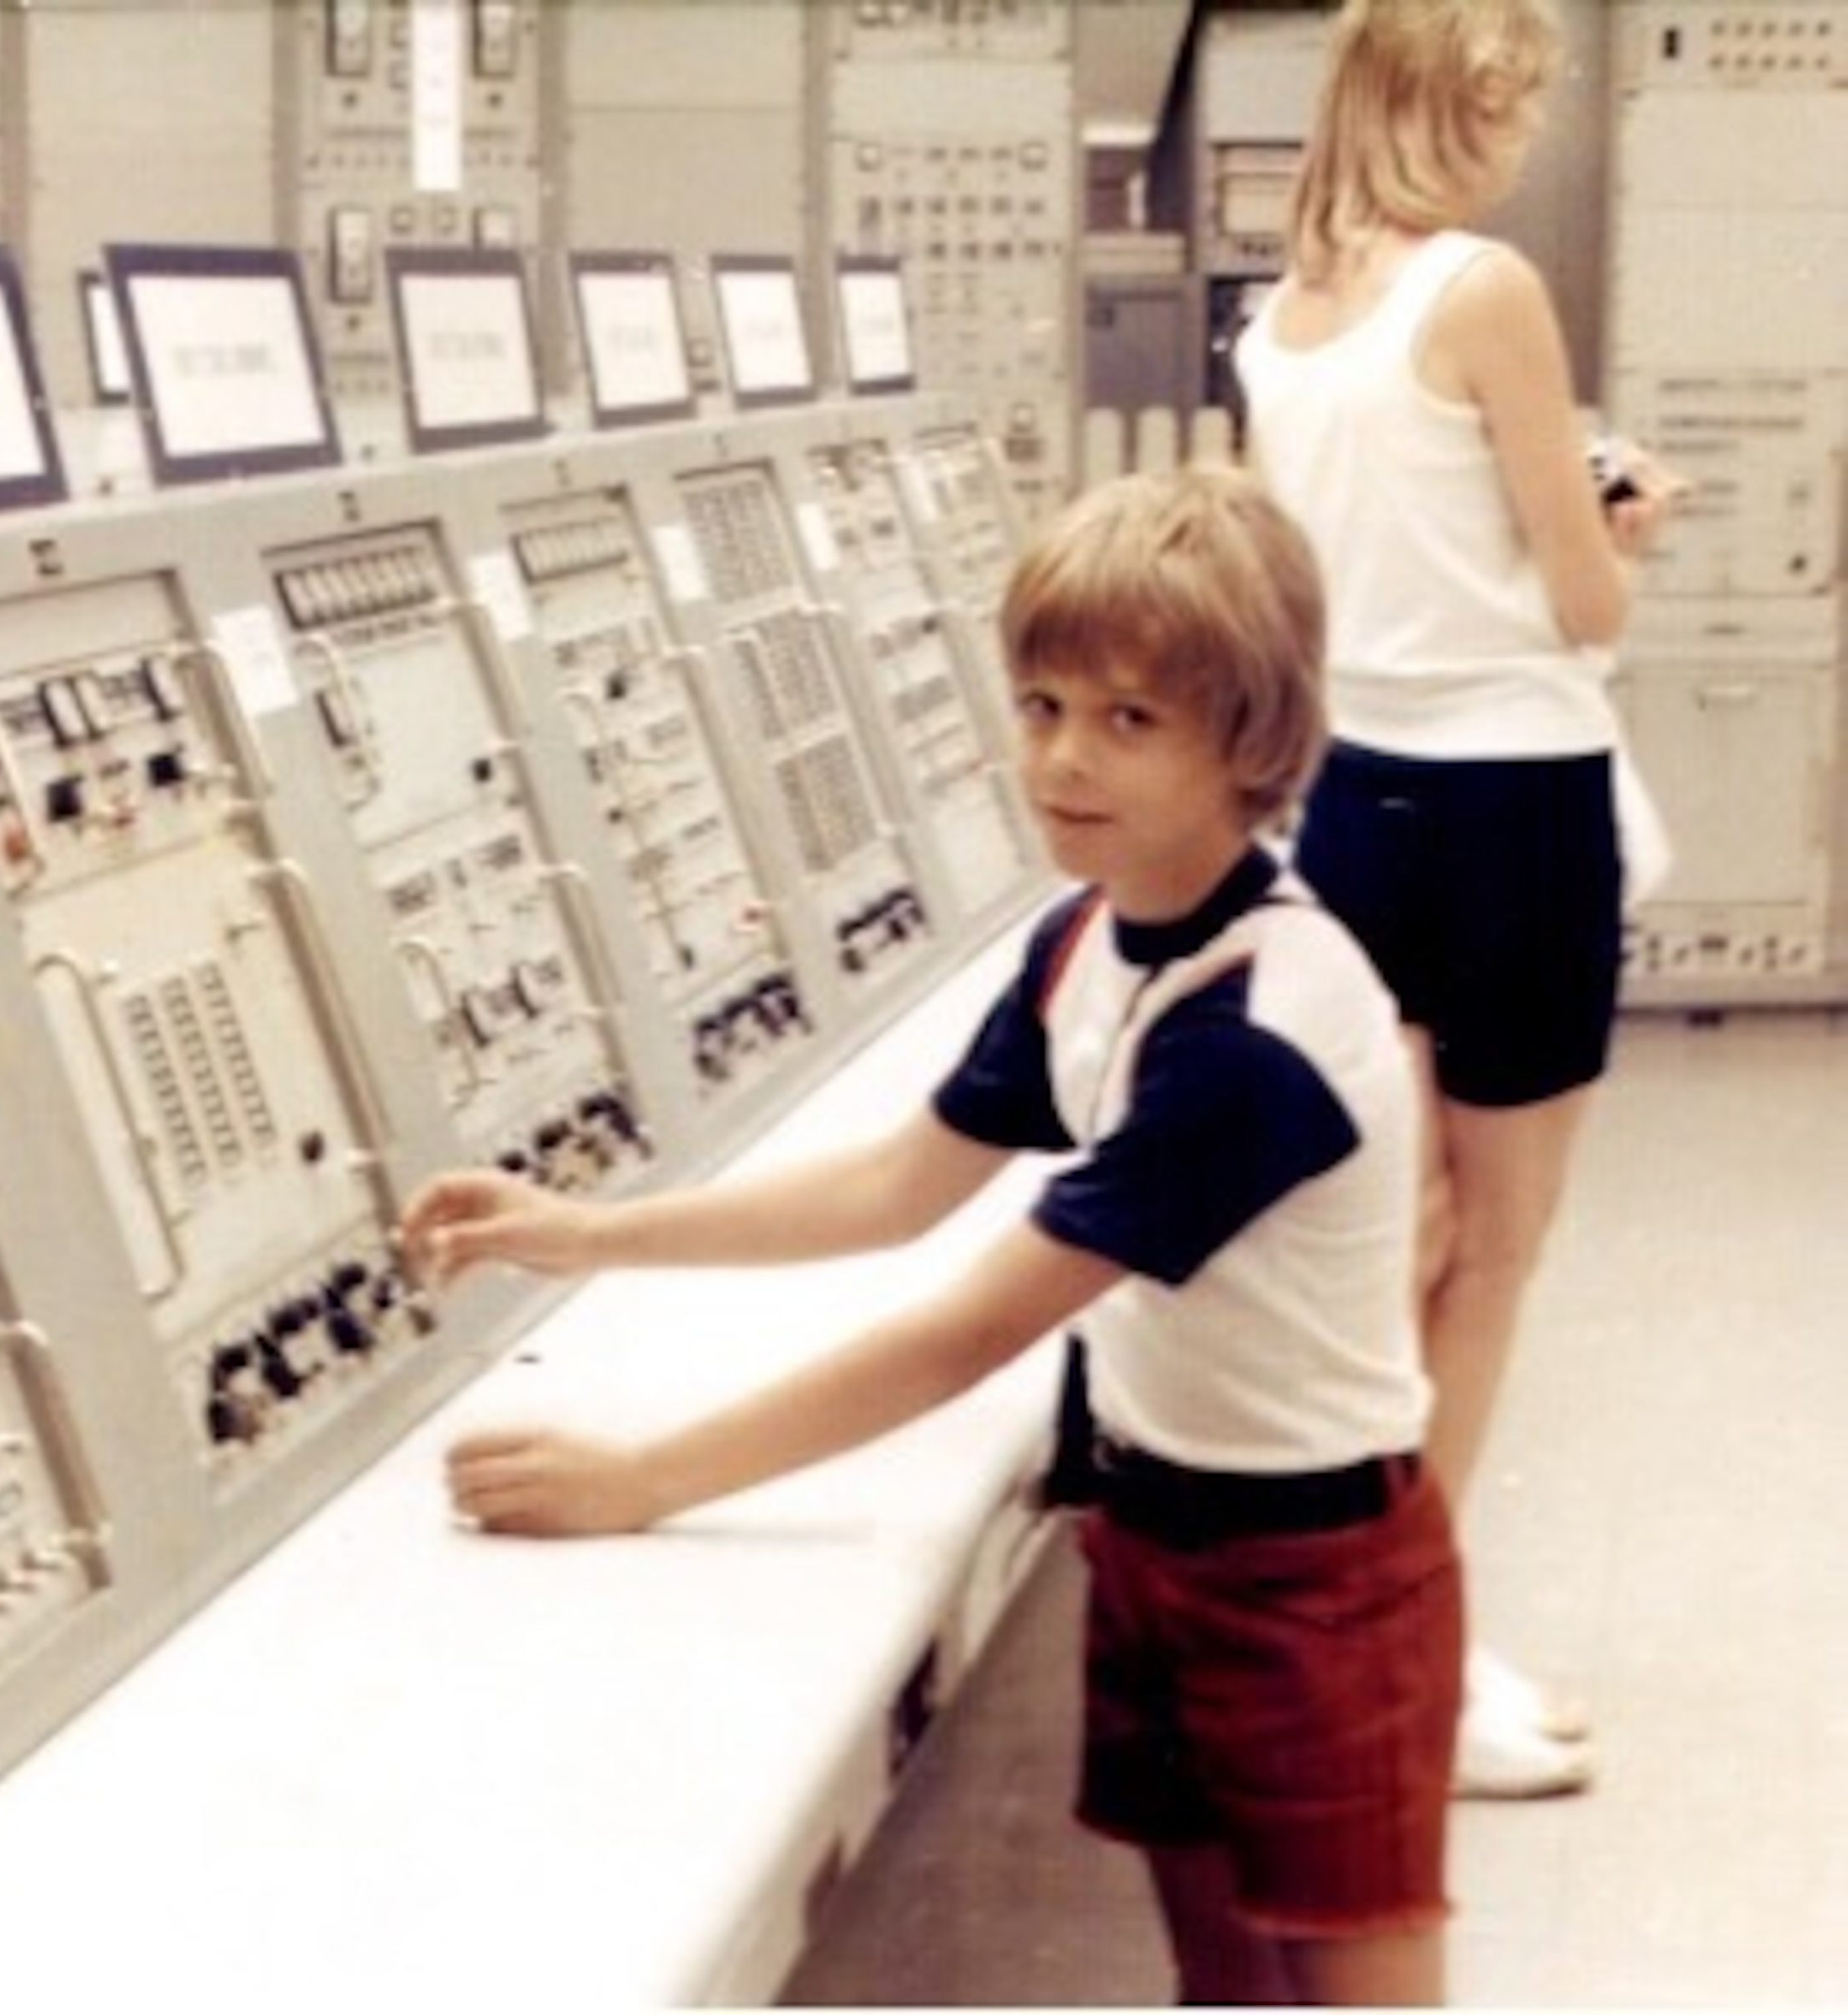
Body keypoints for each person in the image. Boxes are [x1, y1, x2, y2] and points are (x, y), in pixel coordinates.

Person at [402, 468, 1463, 2006]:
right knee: (1225, 1990)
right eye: (1039, 704)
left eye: (1129, 720)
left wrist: (647, 1477)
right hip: (1158, 1534)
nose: (1060, 759)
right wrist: (594, 1231)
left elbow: (970, 1327)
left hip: (1318, 1572)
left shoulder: (1252, 1030)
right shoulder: (1088, 938)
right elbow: (898, 1184)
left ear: (1254, 741)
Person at [1234, 0, 1678, 1800]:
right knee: (1492, 1256)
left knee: (1390, 1246)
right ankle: (1406, 1653)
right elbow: (1583, 606)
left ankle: (1382, 1619)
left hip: (1354, 809)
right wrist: (1622, 521)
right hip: (1513, 811)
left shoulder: (1282, 320)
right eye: (1509, 102)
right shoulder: (1484, 288)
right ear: (1454, 102)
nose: (1516, 137)